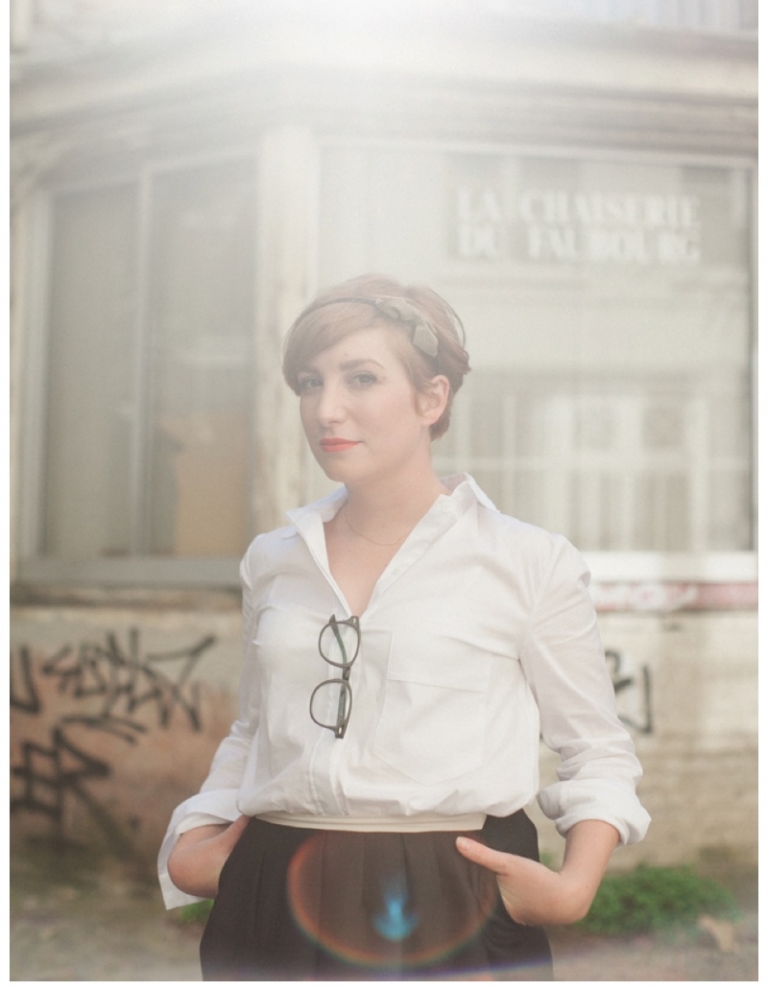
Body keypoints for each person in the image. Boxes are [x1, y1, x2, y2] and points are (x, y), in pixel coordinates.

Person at [158, 273, 650, 980]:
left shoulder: (526, 560)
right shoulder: (273, 560)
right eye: (309, 381)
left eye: (361, 378)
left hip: (453, 894)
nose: (327, 408)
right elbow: (255, 730)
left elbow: (596, 748)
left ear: (432, 398)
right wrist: (191, 839)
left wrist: (575, 888)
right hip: (271, 892)